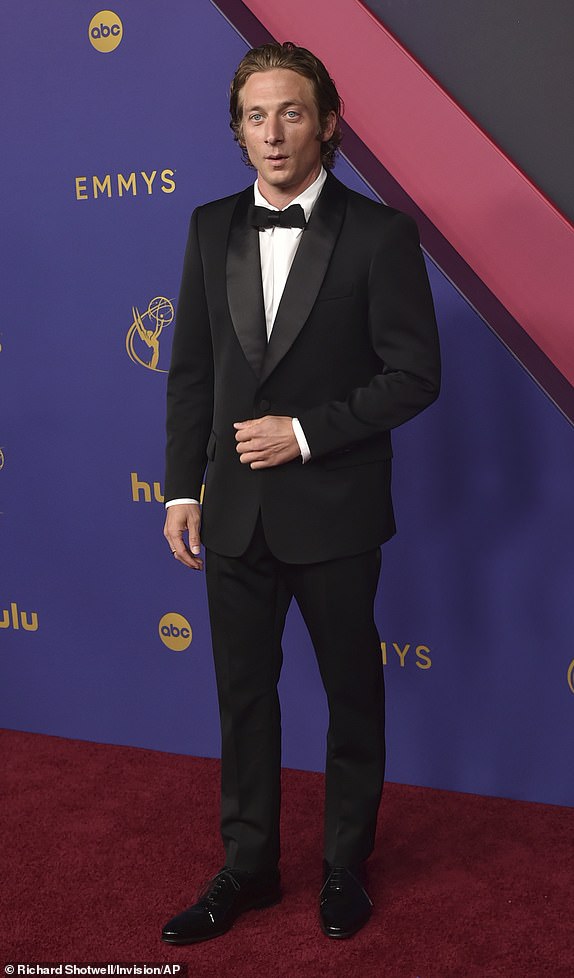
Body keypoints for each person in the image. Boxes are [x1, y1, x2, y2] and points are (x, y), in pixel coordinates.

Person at [161, 41, 440, 944]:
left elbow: (414, 376)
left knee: (353, 693)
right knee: (243, 698)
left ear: (327, 122)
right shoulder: (210, 228)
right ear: (237, 131)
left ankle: (344, 866)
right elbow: (192, 374)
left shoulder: (382, 233)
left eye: (291, 113)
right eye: (255, 116)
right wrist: (179, 490)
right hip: (233, 511)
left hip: (336, 510)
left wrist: (307, 432)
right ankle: (248, 867)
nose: (273, 134)